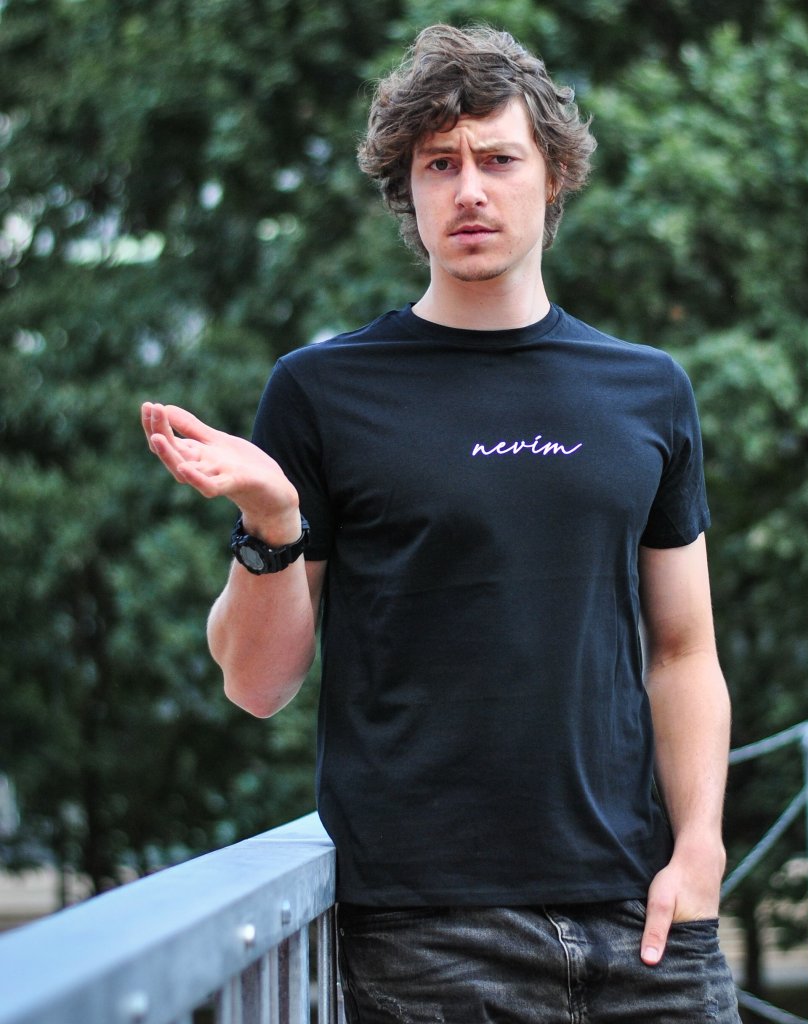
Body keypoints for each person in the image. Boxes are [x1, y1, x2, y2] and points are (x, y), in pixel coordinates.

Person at [142, 23, 738, 1024]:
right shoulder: (322, 392)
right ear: (407, 192)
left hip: (642, 916)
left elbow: (683, 652)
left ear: (552, 178)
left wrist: (701, 847)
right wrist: (274, 520)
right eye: (438, 164)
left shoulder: (647, 390)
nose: (469, 189)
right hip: (425, 936)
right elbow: (256, 683)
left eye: (498, 160)